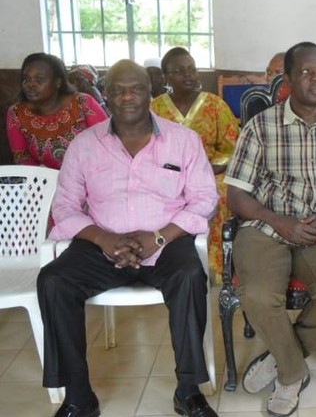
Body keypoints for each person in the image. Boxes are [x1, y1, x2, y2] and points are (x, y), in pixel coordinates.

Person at [37, 59, 219, 417]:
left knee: (189, 275)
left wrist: (160, 237)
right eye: (118, 90)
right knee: (54, 280)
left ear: (151, 93)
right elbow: (66, 206)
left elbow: (204, 199)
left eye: (135, 88)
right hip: (102, 245)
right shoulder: (84, 145)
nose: (127, 97)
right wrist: (104, 239)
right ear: (105, 96)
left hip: (165, 244)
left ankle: (188, 391)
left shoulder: (184, 141)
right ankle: (78, 395)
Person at [225, 42, 316, 417]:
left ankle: (277, 358)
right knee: (258, 295)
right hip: (266, 224)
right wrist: (281, 223)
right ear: (288, 79)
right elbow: (237, 195)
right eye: (306, 72)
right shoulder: (261, 126)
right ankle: (291, 374)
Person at [151, 47, 239, 283]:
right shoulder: (155, 109)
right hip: (165, 175)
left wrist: (208, 169)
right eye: (180, 71)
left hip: (210, 173)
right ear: (166, 77)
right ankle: (163, 261)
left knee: (221, 194)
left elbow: (231, 148)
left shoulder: (214, 105)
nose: (188, 75)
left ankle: (216, 266)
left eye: (191, 69)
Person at [6, 53, 107, 169]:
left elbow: (108, 143)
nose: (30, 84)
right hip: (46, 179)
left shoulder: (83, 103)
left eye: (39, 80)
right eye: (26, 79)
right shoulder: (16, 113)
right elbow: (23, 158)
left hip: (93, 173)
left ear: (58, 82)